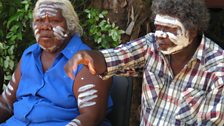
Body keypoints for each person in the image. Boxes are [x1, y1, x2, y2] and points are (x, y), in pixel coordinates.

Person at [64, 0, 224, 125]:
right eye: (158, 27)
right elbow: (114, 57)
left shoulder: (217, 68)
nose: (160, 35)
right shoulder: (152, 45)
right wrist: (87, 56)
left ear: (192, 30)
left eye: (169, 29)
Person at [0, 0, 113, 126]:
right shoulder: (29, 55)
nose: (45, 26)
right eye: (39, 21)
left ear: (70, 25)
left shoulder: (86, 61)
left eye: (54, 21)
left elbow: (92, 117)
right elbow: (6, 103)